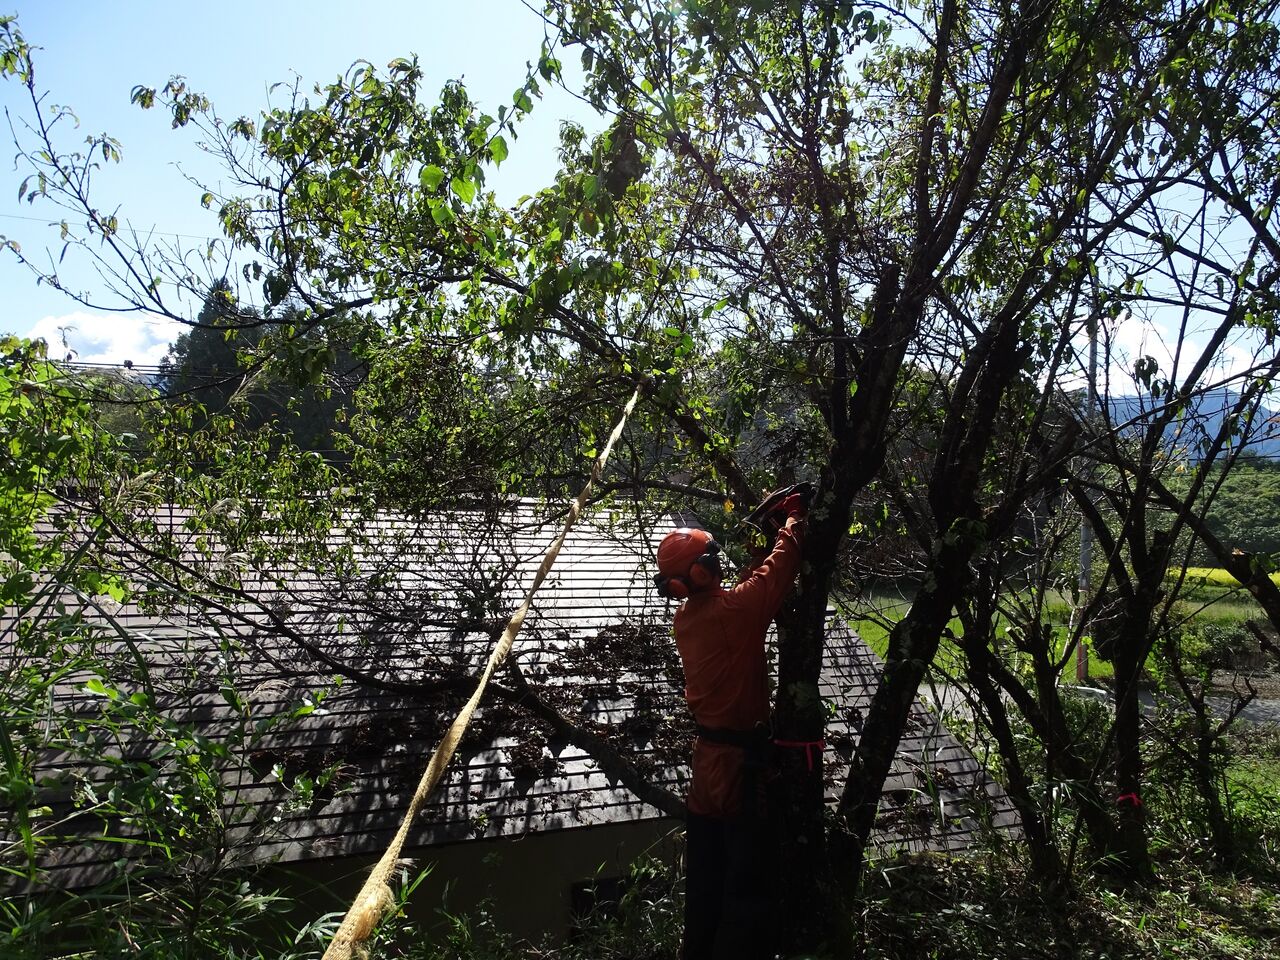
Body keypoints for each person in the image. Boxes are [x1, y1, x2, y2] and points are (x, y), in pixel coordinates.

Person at [654, 492, 808, 960]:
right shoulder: (731, 614)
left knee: (707, 882)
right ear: (698, 574)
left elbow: (742, 595)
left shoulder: (691, 618)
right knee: (747, 887)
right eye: (712, 558)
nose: (718, 563)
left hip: (707, 770)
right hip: (739, 769)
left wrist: (765, 537)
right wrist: (794, 522)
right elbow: (777, 574)